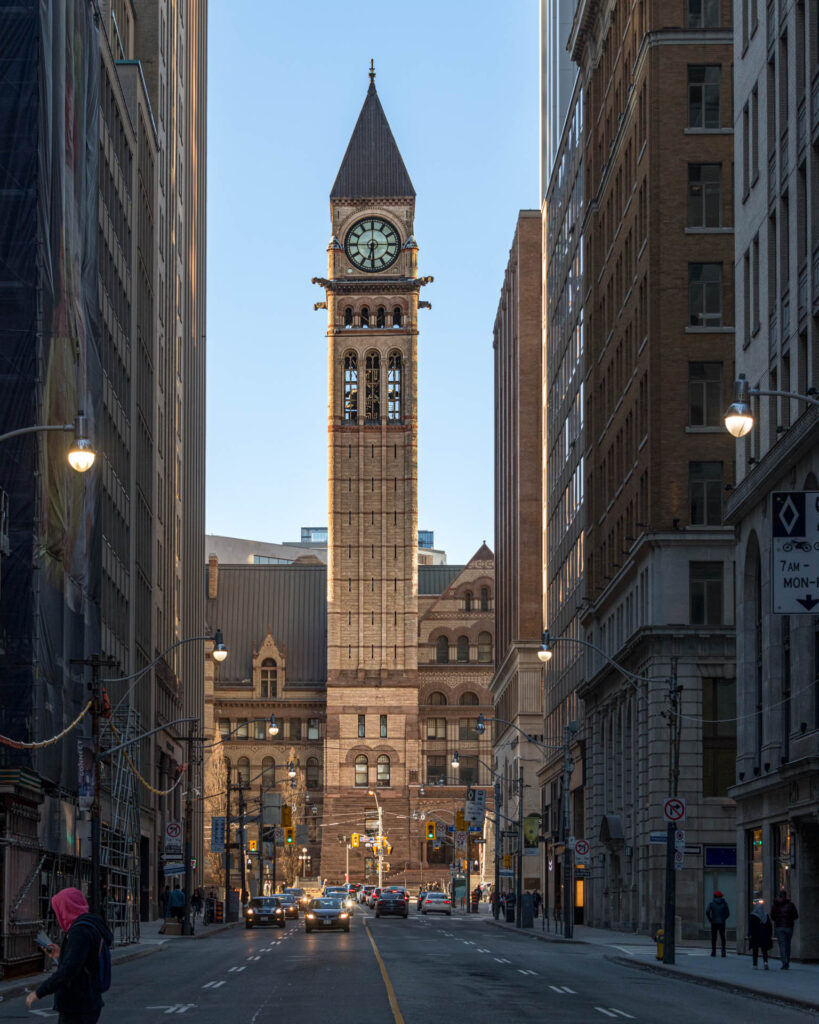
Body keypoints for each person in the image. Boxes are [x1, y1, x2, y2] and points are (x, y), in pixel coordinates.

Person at [25, 887, 113, 1023]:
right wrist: (61, 954)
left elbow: (68, 970)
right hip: (88, 1002)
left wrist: (39, 992)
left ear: (65, 909)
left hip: (77, 1006)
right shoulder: (90, 926)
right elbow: (85, 960)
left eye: (58, 910)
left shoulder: (79, 932)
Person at [771, 889, 799, 969]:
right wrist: (790, 918)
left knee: (782, 945)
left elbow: (772, 916)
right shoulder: (791, 905)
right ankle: (787, 961)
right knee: (788, 944)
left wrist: (777, 920)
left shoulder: (775, 905)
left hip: (779, 927)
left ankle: (784, 962)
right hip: (789, 927)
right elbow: (796, 916)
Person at [747, 897, 773, 969]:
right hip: (764, 935)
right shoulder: (765, 915)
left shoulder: (752, 915)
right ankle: (765, 963)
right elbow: (769, 926)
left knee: (755, 950)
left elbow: (750, 926)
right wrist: (769, 935)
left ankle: (755, 965)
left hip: (755, 935)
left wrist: (749, 934)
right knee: (764, 950)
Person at [706, 889, 730, 957]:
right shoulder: (724, 903)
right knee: (722, 937)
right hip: (722, 922)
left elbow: (707, 912)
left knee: (714, 937)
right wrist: (723, 918)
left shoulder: (711, 903)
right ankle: (723, 951)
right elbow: (728, 913)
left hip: (714, 922)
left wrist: (710, 919)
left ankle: (713, 951)